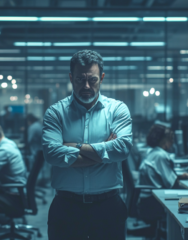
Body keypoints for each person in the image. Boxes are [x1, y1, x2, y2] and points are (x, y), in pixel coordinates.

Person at [42, 50, 132, 240]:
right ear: (70, 77)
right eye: (80, 80)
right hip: (66, 207)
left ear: (102, 77)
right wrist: (104, 153)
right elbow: (52, 154)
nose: (86, 86)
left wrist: (75, 146)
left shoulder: (117, 110)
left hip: (108, 207)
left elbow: (123, 149)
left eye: (92, 80)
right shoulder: (55, 113)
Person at [138, 124, 188, 223]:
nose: (173, 142)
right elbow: (173, 185)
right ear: (164, 140)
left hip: (147, 201)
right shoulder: (161, 156)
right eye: (171, 138)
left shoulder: (153, 153)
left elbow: (160, 175)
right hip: (154, 203)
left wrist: (179, 176)